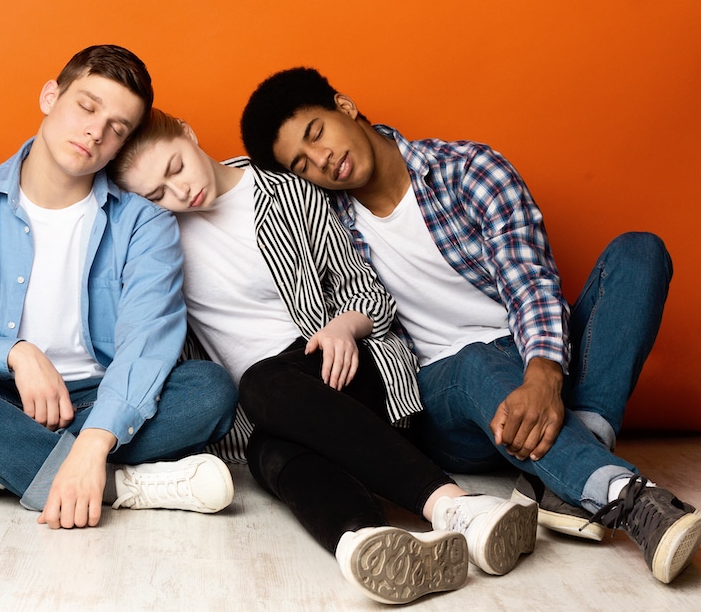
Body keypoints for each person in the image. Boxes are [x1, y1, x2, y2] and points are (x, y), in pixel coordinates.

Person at [240, 67, 697, 584]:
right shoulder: (328, 220)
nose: (321, 160)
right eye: (301, 164)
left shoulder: (467, 168)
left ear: (344, 106)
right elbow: (233, 186)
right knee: (476, 359)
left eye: (316, 133)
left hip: (536, 363)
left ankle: (566, 469)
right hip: (446, 394)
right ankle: (627, 498)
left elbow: (530, 280)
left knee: (639, 252)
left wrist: (543, 375)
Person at [108, 108, 536, 604]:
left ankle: (455, 506)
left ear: (187, 132)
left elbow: (371, 294)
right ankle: (370, 540)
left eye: (176, 168)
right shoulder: (156, 240)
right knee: (268, 452)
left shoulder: (288, 191)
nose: (178, 193)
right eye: (156, 193)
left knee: (262, 383)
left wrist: (343, 326)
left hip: (349, 368)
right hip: (267, 411)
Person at [0, 45, 238, 531]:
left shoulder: (143, 220)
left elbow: (148, 342)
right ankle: (121, 487)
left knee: (209, 391)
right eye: (87, 107)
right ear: (50, 96)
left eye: (117, 128)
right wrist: (14, 354)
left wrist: (95, 439)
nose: (95, 131)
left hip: (101, 397)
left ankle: (1, 470)